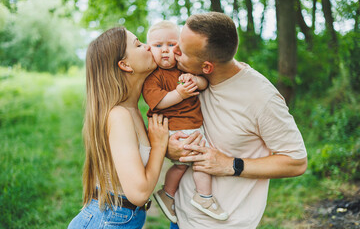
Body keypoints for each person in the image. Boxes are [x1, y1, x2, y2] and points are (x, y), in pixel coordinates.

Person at [166, 12, 308, 228]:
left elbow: (296, 162)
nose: (174, 51)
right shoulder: (190, 80)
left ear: (207, 67)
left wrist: (231, 165)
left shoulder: (262, 98)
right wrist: (170, 149)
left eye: (182, 51)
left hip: (225, 223)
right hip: (181, 217)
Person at [67, 27, 171, 229]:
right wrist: (158, 146)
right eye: (139, 44)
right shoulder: (119, 115)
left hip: (117, 218)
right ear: (125, 64)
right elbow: (139, 193)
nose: (149, 47)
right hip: (108, 222)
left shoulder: (131, 109)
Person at [142, 21, 228, 223]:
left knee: (181, 166)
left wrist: (195, 81)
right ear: (149, 49)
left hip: (191, 126)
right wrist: (179, 94)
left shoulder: (183, 69)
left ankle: (167, 193)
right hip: (176, 129)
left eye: (171, 45)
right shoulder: (152, 77)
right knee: (201, 159)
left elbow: (204, 83)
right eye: (158, 45)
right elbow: (159, 102)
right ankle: (204, 197)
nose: (165, 50)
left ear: (179, 48)